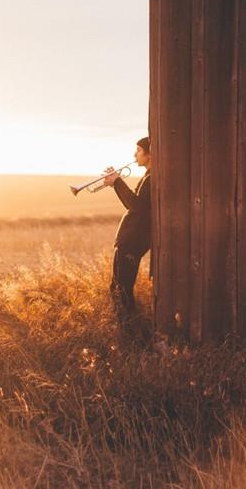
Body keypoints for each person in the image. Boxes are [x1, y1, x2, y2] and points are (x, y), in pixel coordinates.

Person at [103, 136, 152, 339]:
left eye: (138, 150)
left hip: (133, 242)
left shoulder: (151, 178)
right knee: (117, 288)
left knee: (122, 289)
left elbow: (136, 205)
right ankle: (125, 330)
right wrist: (116, 184)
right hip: (129, 241)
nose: (134, 155)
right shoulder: (148, 177)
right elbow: (134, 203)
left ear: (150, 154)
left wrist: (117, 182)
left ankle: (131, 333)